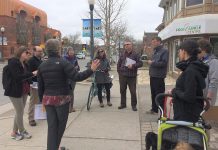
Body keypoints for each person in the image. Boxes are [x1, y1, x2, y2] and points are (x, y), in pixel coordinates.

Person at [37, 39, 99, 150]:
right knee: (60, 127)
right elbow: (77, 77)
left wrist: (42, 100)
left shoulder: (42, 65)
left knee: (52, 127)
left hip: (48, 100)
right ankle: (54, 147)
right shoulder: (63, 63)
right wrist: (91, 70)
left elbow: (40, 86)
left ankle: (53, 147)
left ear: (47, 50)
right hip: (62, 99)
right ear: (58, 49)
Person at [4, 46, 37, 141]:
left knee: (19, 112)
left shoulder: (25, 64)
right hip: (14, 91)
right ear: (21, 52)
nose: (28, 55)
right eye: (27, 53)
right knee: (20, 112)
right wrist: (32, 73)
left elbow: (26, 77)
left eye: (29, 53)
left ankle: (14, 132)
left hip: (24, 90)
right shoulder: (13, 62)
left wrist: (32, 82)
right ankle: (22, 131)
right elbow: (18, 77)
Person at [171, 40, 209, 122]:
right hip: (189, 112)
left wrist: (174, 91)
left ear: (184, 51)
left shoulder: (191, 70)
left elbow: (189, 96)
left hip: (187, 115)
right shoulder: (193, 67)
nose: (178, 53)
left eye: (179, 51)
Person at [117, 41, 143, 111]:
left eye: (128, 44)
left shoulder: (136, 54)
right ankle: (123, 104)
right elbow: (118, 64)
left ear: (131, 45)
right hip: (122, 76)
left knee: (133, 91)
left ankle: (134, 105)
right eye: (125, 45)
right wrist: (119, 72)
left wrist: (133, 65)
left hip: (131, 76)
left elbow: (140, 63)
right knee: (122, 90)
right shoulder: (122, 54)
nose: (126, 46)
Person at [147, 37, 169, 115]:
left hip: (159, 77)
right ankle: (154, 109)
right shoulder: (155, 51)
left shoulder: (164, 51)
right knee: (153, 94)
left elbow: (163, 63)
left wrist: (152, 63)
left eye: (155, 42)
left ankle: (163, 113)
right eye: (152, 42)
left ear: (159, 42)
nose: (153, 43)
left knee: (159, 95)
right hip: (152, 75)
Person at [198, 39, 218, 106]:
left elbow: (214, 81)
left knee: (207, 115)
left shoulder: (213, 61)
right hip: (200, 96)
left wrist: (208, 98)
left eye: (198, 50)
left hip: (207, 98)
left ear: (203, 50)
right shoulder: (200, 61)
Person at [27, 46, 43, 126]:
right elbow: (28, 73)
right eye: (39, 51)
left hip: (40, 83)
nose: (41, 52)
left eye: (41, 51)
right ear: (34, 52)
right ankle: (31, 119)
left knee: (40, 101)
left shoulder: (40, 60)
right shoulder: (31, 61)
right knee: (33, 102)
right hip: (34, 84)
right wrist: (31, 84)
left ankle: (40, 115)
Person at [63, 46, 80, 113]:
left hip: (73, 78)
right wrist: (73, 68)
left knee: (71, 92)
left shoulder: (75, 58)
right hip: (66, 78)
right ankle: (65, 106)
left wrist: (77, 68)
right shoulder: (64, 59)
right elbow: (64, 68)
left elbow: (78, 67)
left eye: (72, 51)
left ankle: (71, 107)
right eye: (70, 51)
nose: (71, 52)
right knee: (66, 92)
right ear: (67, 52)